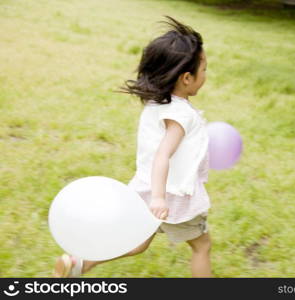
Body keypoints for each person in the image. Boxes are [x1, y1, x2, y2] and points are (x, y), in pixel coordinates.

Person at [52, 15, 212, 278]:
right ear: (186, 78)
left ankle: (79, 262)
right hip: (172, 198)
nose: (205, 75)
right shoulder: (182, 115)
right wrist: (160, 198)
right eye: (203, 69)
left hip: (145, 190)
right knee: (202, 246)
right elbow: (163, 155)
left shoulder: (156, 104)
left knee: (136, 243)